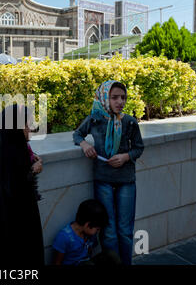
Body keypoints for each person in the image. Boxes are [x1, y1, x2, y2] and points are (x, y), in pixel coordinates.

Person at [73, 80, 144, 265]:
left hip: (126, 180)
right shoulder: (94, 119)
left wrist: (125, 157)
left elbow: (138, 148)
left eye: (123, 97)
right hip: (103, 179)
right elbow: (77, 134)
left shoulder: (129, 121)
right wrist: (84, 144)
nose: (120, 101)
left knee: (125, 231)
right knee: (109, 230)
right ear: (105, 98)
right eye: (114, 97)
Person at [0, 104, 44, 267]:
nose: (31, 128)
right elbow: (15, 188)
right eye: (28, 124)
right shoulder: (13, 153)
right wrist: (33, 170)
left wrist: (33, 161)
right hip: (16, 227)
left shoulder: (10, 147)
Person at [52, 199, 121, 266]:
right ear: (87, 225)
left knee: (111, 255)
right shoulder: (64, 237)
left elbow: (89, 253)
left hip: (87, 261)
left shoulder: (89, 234)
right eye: (97, 229)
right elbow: (57, 262)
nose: (98, 232)